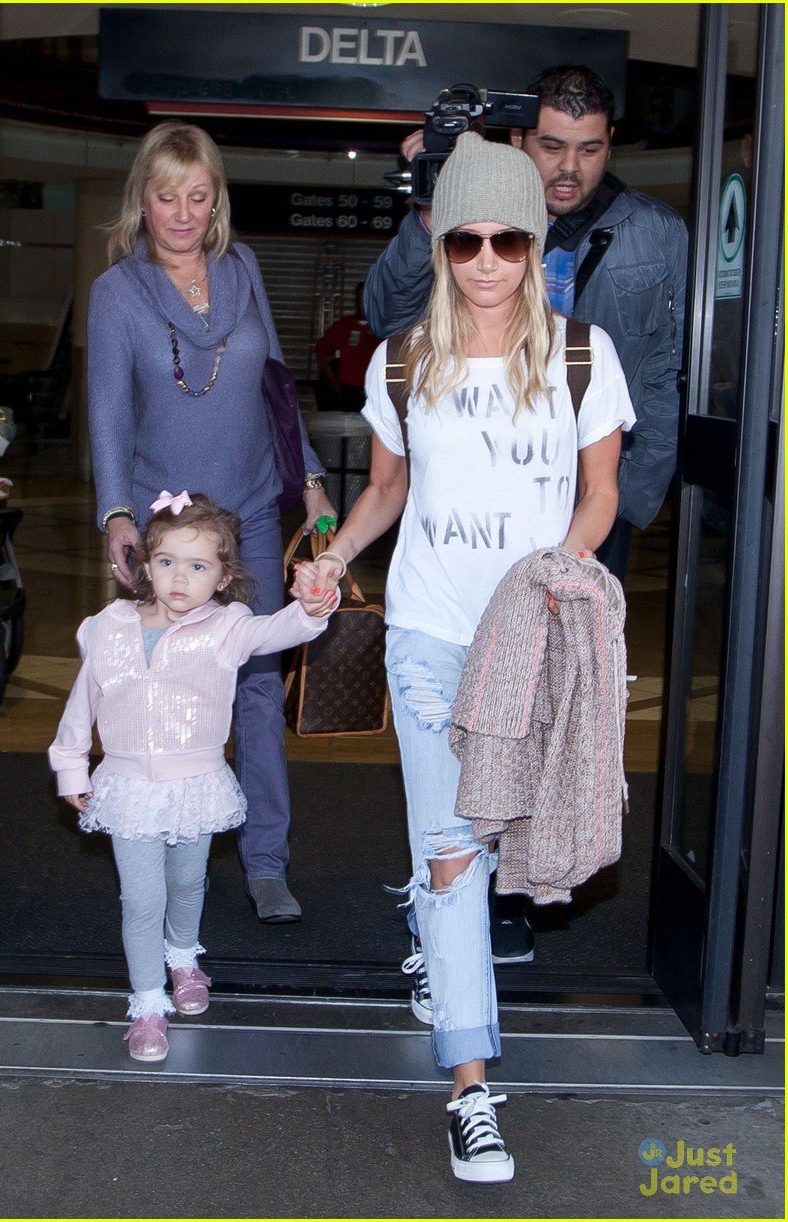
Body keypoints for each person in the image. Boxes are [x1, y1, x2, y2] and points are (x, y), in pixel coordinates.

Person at [316, 134, 635, 1183]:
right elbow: (386, 489)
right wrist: (332, 558)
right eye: (466, 239)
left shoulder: (580, 355)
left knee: (491, 837)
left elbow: (599, 494)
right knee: (454, 850)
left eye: (508, 239)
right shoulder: (402, 359)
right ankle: (470, 1091)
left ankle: (430, 921)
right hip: (427, 636)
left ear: (534, 242)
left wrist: (553, 571)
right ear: (441, 242)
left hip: (529, 638)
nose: (487, 260)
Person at [87, 121, 338, 924]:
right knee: (164, 685)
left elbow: (275, 384)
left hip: (253, 509)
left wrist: (312, 483)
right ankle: (164, 849)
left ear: (216, 199)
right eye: (167, 197)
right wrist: (116, 513)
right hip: (167, 529)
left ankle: (266, 861)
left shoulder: (243, 267)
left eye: (198, 197)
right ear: (143, 199)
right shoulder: (118, 292)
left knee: (258, 686)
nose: (183, 214)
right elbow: (107, 413)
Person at [363, 64, 688, 585]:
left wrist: (632, 494)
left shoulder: (654, 232)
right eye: (552, 147)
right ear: (517, 138)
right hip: (475, 487)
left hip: (600, 491)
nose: (569, 168)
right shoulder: (472, 221)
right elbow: (389, 317)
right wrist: (435, 207)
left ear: (610, 143)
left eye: (590, 149)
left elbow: (665, 371)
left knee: (571, 636)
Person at [48, 492, 337, 1062]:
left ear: (223, 578)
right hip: (128, 789)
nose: (180, 578)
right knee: (141, 899)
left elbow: (283, 630)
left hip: (197, 785)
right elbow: (84, 700)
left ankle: (182, 958)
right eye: (167, 562)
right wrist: (70, 765)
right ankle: (147, 1003)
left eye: (199, 566)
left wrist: (312, 606)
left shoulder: (228, 627)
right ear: (146, 564)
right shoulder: (107, 627)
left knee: (187, 883)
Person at [315, 282, 379, 410]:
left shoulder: (382, 329)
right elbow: (322, 351)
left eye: (366, 299)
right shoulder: (343, 326)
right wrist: (333, 381)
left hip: (375, 394)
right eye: (359, 298)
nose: (362, 303)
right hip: (349, 394)